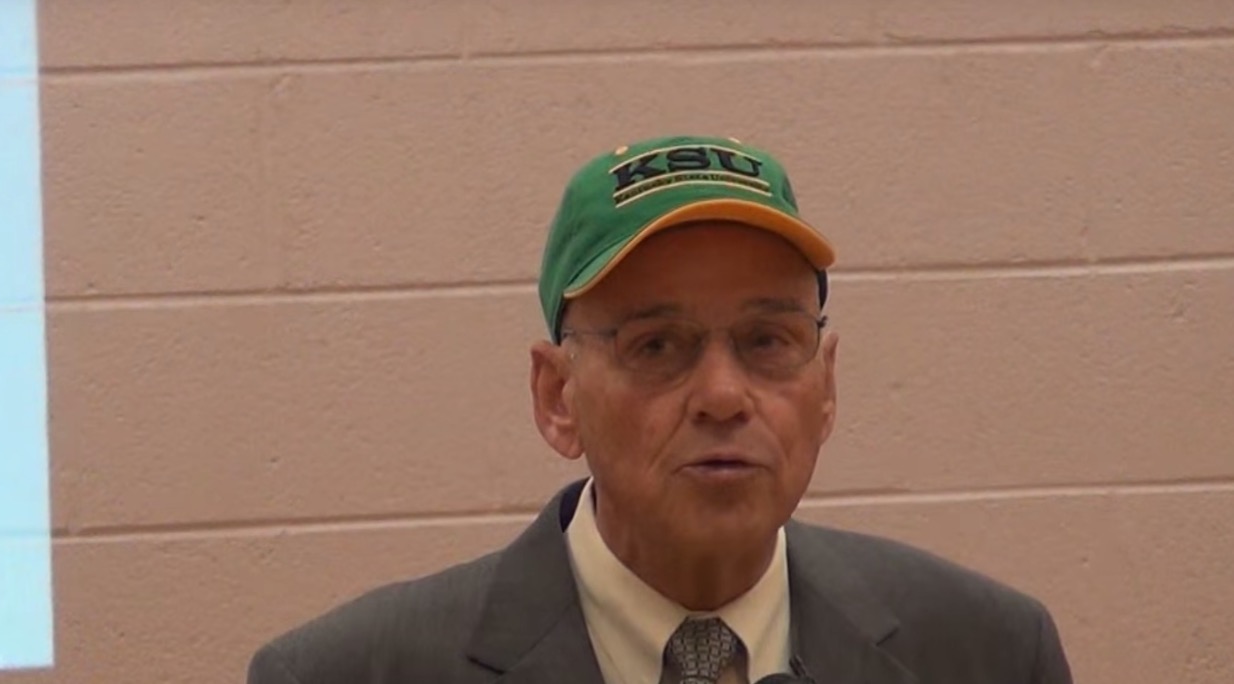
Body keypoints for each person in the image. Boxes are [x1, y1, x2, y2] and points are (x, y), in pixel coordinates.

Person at [246, 134, 1073, 684]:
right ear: (558, 398)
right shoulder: (346, 674)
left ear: (825, 389)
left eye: (768, 340)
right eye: (656, 346)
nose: (722, 395)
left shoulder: (988, 653)